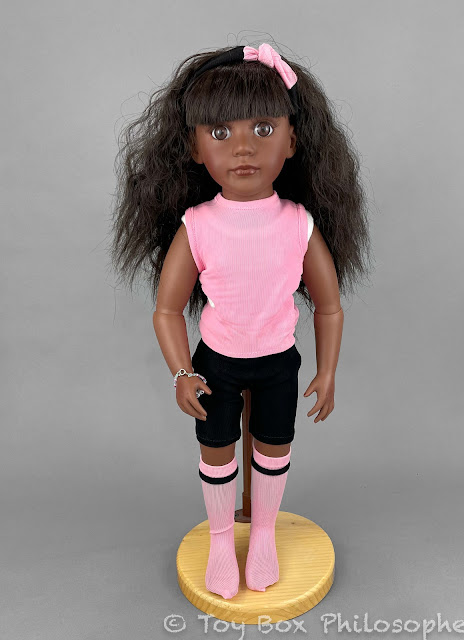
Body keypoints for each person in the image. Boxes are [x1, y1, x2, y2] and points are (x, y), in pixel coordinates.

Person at [109, 42, 373, 600]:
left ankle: (265, 535)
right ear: (194, 147)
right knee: (217, 449)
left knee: (274, 448)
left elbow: (329, 306)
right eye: (221, 132)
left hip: (278, 361)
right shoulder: (198, 225)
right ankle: (221, 539)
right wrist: (183, 372)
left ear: (293, 141)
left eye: (264, 128)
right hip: (217, 364)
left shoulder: (298, 223)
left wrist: (327, 370)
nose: (244, 147)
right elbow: (166, 309)